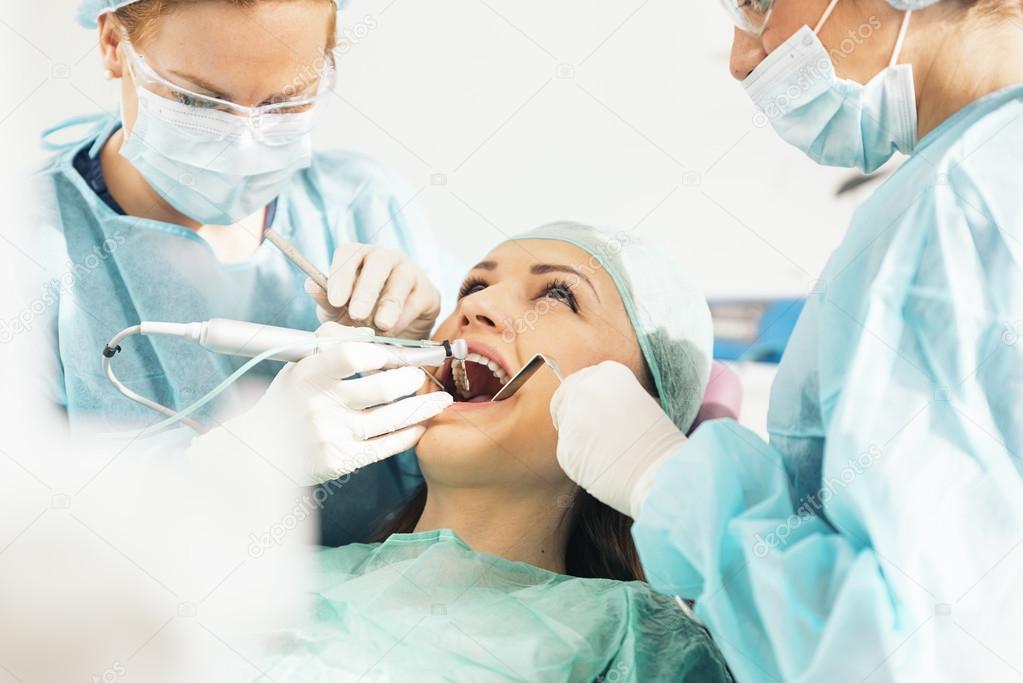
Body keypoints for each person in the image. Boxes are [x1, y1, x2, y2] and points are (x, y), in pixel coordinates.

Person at [552, 1, 1023, 681]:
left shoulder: (967, 202)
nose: (745, 58)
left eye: (755, 4)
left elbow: (906, 650)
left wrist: (667, 482)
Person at [33, 0, 455, 543]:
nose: (243, 140)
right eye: (195, 100)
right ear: (114, 45)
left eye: (284, 103)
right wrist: (230, 467)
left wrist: (418, 356)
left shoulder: (366, 205)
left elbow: (478, 472)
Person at [256, 222, 731, 681]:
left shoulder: (635, 644)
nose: (477, 305)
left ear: (639, 409)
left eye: (558, 295)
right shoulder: (265, 578)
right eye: (473, 286)